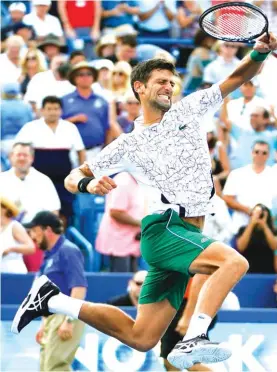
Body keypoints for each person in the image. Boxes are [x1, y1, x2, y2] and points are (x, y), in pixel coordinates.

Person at [12, 33, 277, 370]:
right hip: (166, 229)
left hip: (187, 233)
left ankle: (54, 301)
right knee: (234, 263)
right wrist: (87, 183)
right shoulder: (127, 144)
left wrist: (259, 53)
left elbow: (238, 77)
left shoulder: (191, 108)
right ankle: (194, 339)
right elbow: (71, 177)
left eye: (172, 81)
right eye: (160, 81)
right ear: (139, 87)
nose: (169, 86)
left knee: (142, 337)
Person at [24, 211, 87, 372]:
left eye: (34, 230)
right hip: (53, 316)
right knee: (47, 367)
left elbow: (79, 288)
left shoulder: (68, 251)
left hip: (66, 314)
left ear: (47, 230)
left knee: (55, 367)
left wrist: (69, 321)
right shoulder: (49, 255)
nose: (31, 235)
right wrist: (44, 324)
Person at [15, 96, 86, 223]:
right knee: (38, 210)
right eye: (49, 109)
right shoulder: (31, 127)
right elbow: (18, 148)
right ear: (42, 110)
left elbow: (81, 151)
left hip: (63, 179)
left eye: (56, 109)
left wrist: (81, 173)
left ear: (61, 111)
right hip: (37, 178)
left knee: (64, 212)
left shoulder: (69, 127)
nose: (52, 112)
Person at [223, 140, 277, 234]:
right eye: (257, 152)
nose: (260, 155)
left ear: (268, 155)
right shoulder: (237, 174)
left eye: (264, 153)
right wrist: (248, 210)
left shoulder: (274, 174)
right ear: (252, 153)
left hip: (267, 230)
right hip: (241, 227)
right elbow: (227, 198)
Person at [95, 172, 144, 272]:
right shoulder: (123, 181)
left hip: (132, 241)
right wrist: (141, 223)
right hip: (118, 242)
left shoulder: (138, 182)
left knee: (132, 282)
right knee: (121, 282)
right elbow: (115, 212)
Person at [62, 61, 111, 161]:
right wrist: (74, 119)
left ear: (93, 78)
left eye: (89, 74)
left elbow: (108, 128)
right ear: (74, 78)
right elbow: (56, 126)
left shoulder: (102, 101)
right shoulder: (64, 100)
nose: (85, 77)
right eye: (81, 74)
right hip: (71, 151)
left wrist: (106, 149)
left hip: (96, 151)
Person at [235, 204, 277, 273]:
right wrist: (251, 224)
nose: (259, 216)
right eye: (256, 213)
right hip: (248, 272)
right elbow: (240, 247)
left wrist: (264, 225)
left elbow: (274, 246)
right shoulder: (243, 230)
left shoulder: (273, 231)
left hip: (268, 272)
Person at [0, 195, 35, 274]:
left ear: (4, 209)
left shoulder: (14, 226)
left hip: (14, 271)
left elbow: (31, 247)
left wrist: (10, 249)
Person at [1, 82, 33, 157]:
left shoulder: (1, 107)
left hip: (4, 143)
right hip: (24, 143)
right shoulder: (26, 106)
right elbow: (30, 124)